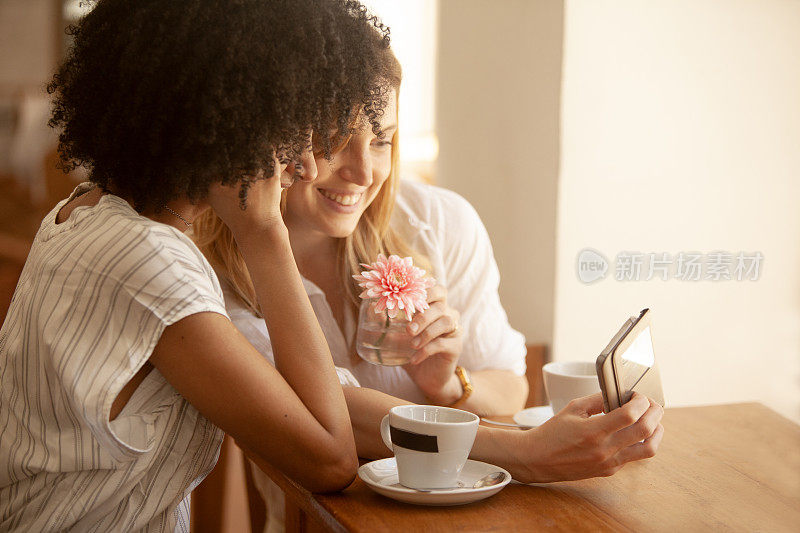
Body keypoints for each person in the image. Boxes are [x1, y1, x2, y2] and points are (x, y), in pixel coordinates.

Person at [193, 50, 665, 531]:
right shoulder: (208, 269)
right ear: (271, 139)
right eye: (332, 142)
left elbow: (509, 386)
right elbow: (331, 414)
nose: (363, 172)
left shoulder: (436, 222)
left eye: (381, 140)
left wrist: (448, 384)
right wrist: (527, 453)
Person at [0, 1, 400, 530]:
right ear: (220, 116)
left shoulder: (82, 212)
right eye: (291, 133)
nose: (304, 166)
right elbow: (331, 458)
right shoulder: (149, 262)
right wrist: (264, 234)